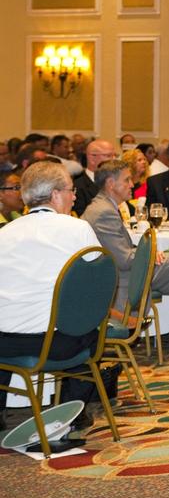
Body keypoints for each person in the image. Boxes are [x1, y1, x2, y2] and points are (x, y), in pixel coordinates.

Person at [82, 160, 169, 368]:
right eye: (127, 180)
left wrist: (149, 253)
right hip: (124, 281)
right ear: (111, 183)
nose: (132, 184)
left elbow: (125, 252)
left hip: (132, 274)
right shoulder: (103, 211)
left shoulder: (106, 206)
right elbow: (124, 259)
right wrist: (149, 254)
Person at [0, 162, 110, 427]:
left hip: (4, 341)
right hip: (53, 344)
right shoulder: (76, 228)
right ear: (55, 194)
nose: (74, 196)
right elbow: (99, 281)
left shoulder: (4, 232)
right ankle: (71, 413)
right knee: (88, 329)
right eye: (71, 190)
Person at [73, 138, 118, 215]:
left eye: (115, 155)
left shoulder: (117, 181)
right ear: (92, 158)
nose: (114, 159)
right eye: (109, 156)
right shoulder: (77, 186)